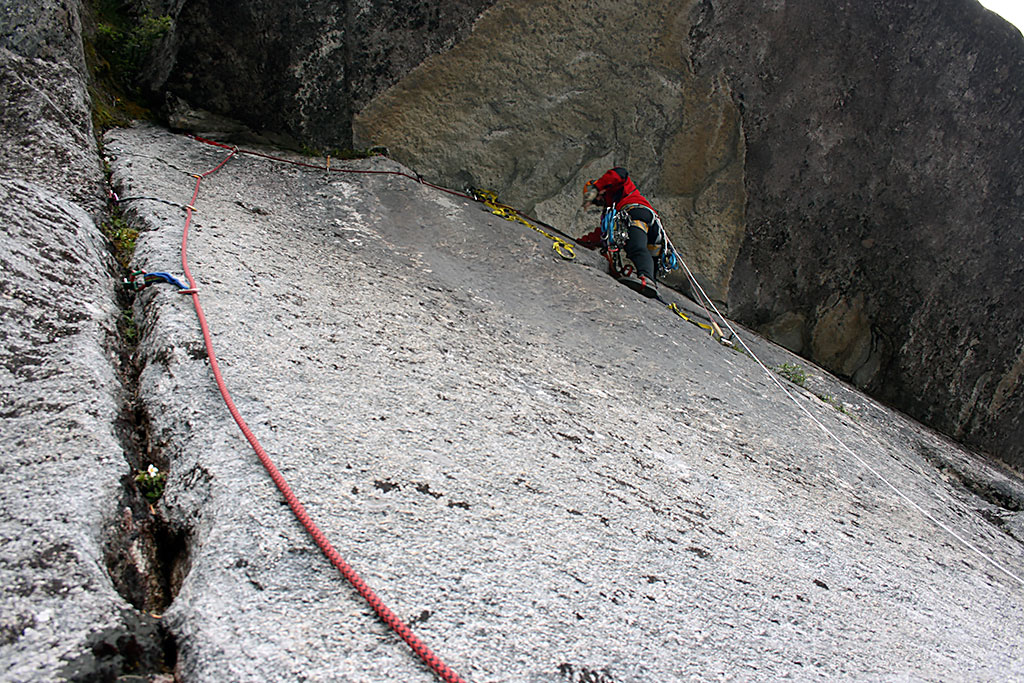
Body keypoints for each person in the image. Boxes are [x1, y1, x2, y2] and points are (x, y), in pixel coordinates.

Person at [577, 167, 664, 299]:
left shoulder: (619, 188)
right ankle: (650, 282)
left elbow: (620, 173)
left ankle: (646, 280)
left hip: (636, 214)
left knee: (635, 247)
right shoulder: (611, 209)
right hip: (653, 225)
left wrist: (597, 187)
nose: (599, 203)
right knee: (651, 258)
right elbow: (602, 234)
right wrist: (581, 242)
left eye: (597, 199)